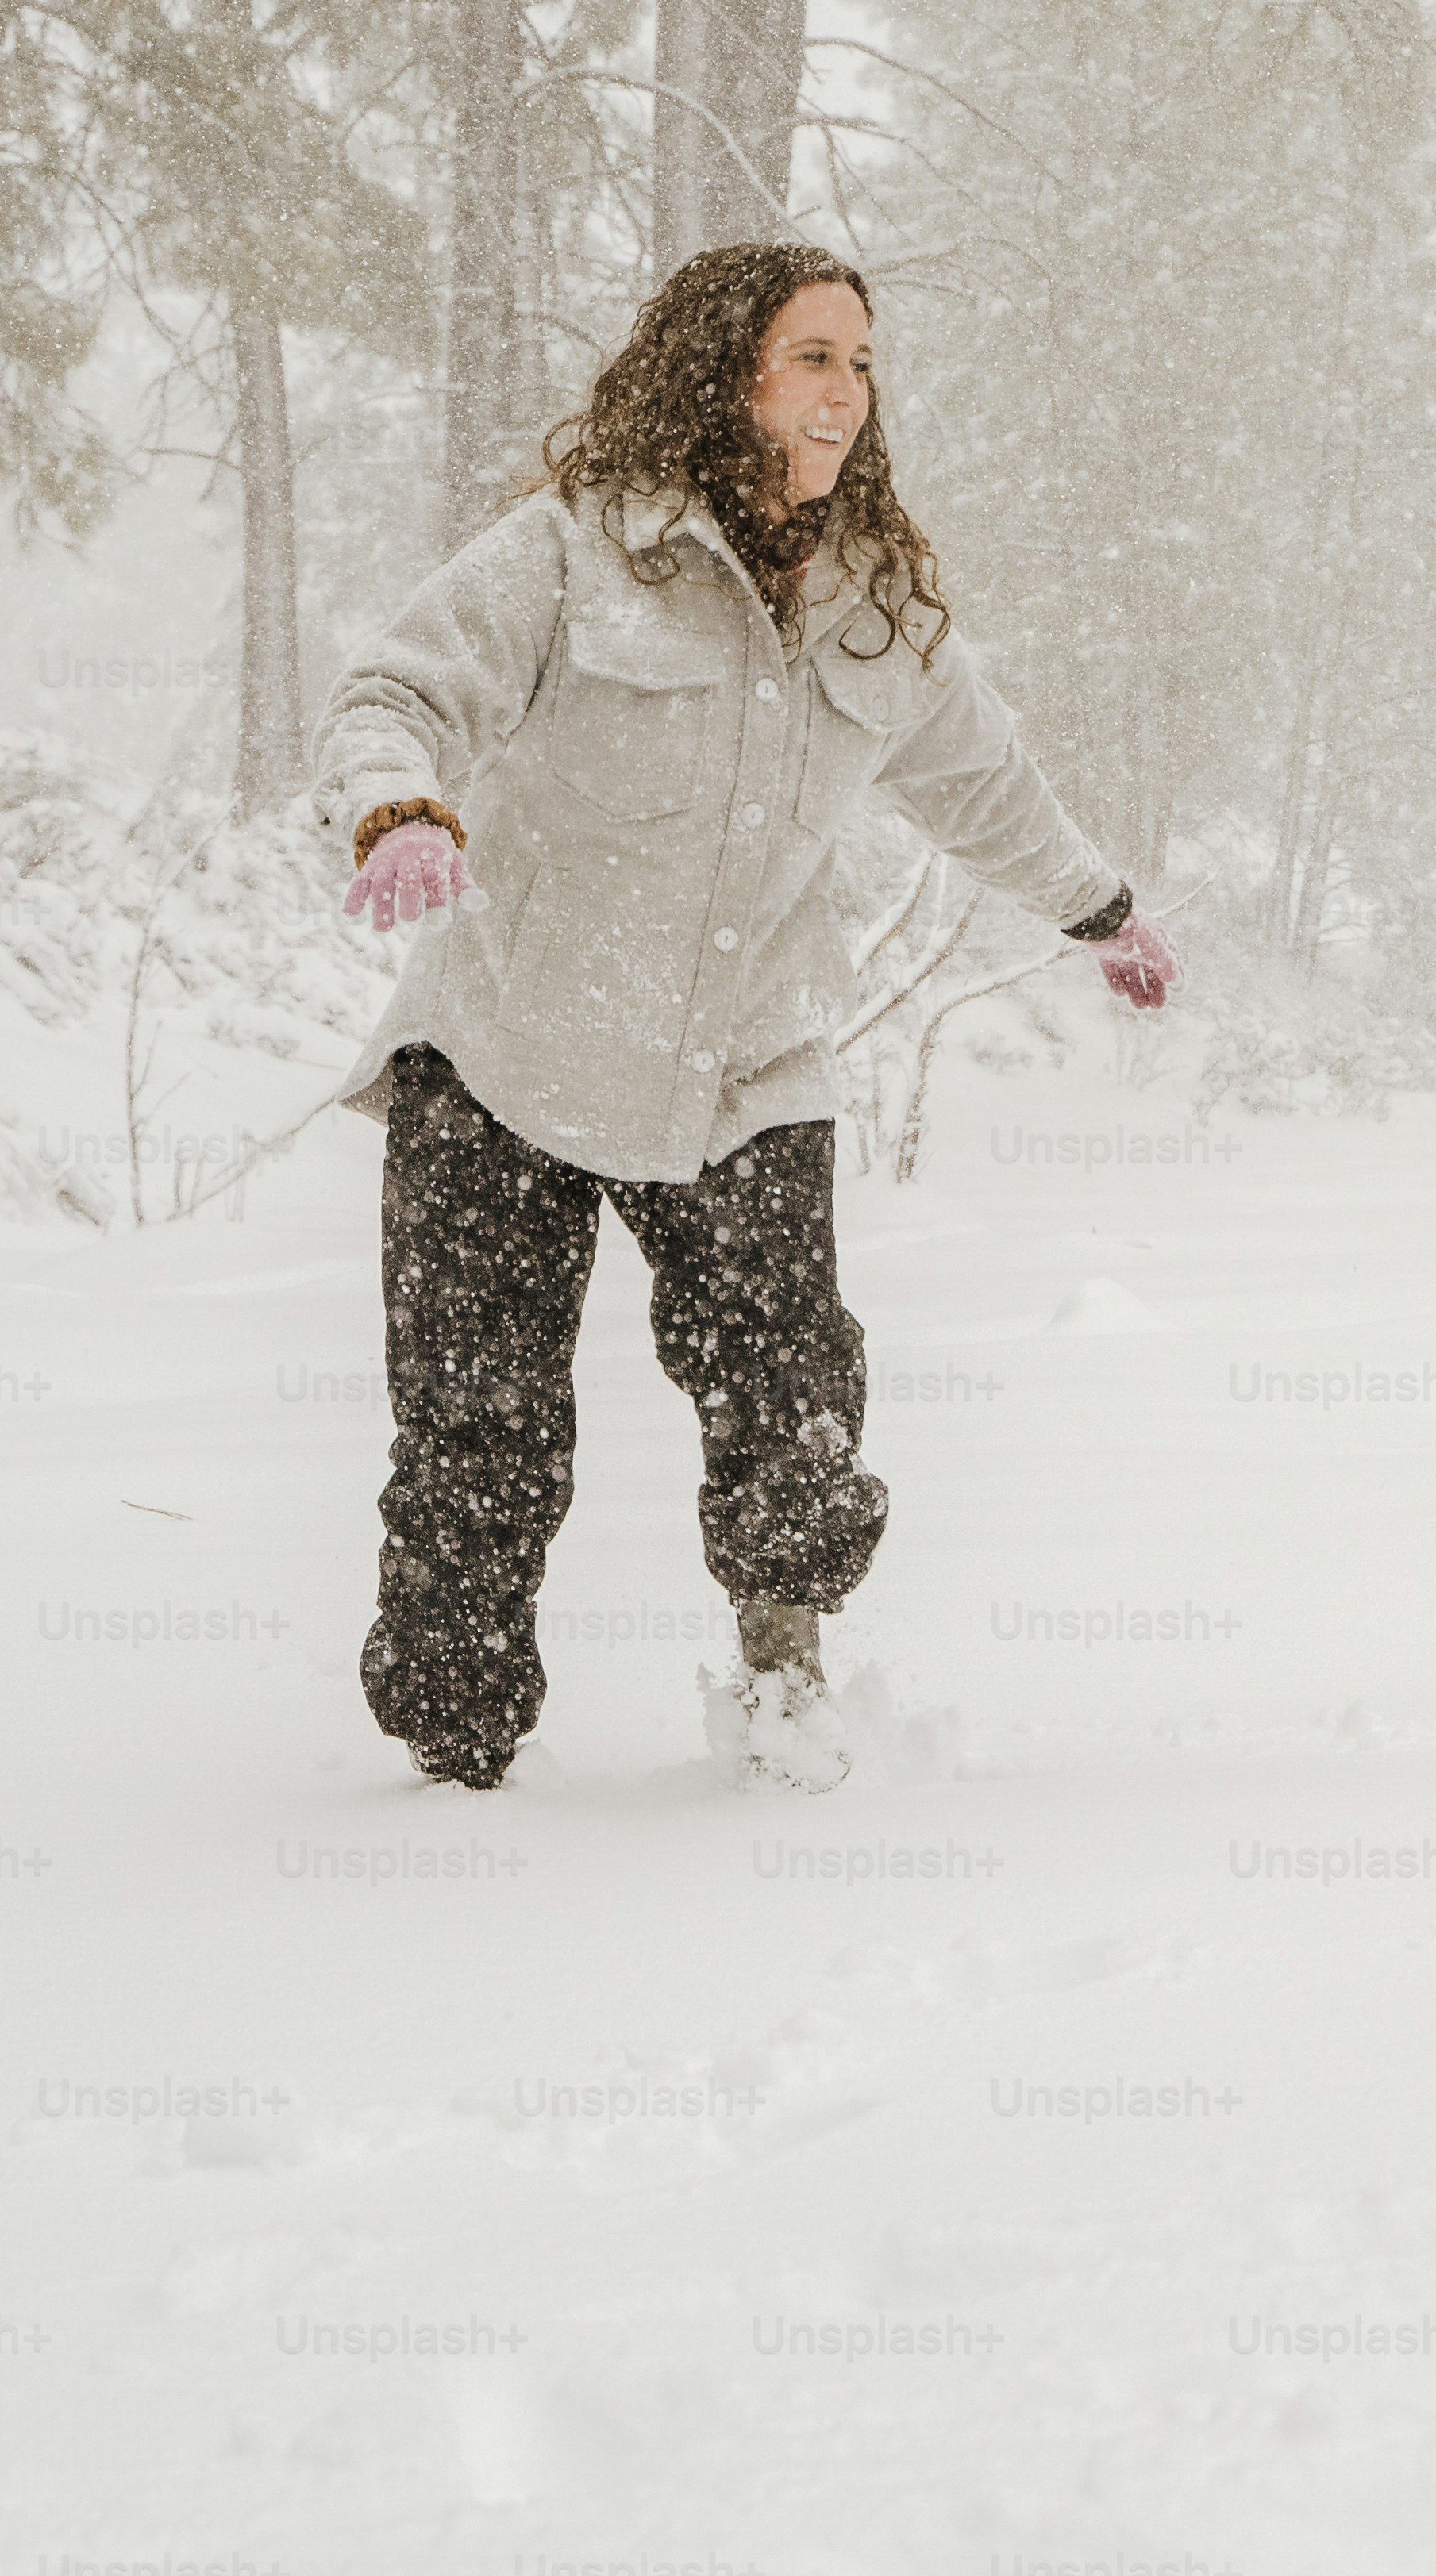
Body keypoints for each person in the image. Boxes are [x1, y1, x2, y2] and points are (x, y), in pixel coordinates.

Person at [308, 241, 1177, 1792]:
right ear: (728, 369)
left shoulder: (880, 612)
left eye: (862, 362)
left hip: (740, 1066)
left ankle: (785, 1678)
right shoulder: (576, 552)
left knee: (793, 1410)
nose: (849, 391)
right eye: (816, 355)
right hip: (507, 1045)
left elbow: (984, 782)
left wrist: (1098, 911)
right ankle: (450, 1772)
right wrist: (403, 812)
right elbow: (401, 689)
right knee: (477, 1442)